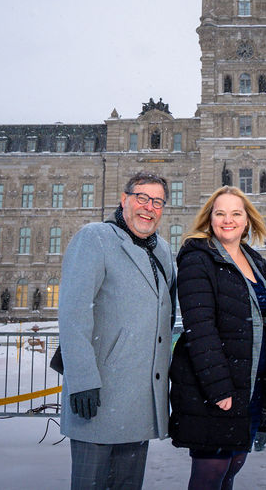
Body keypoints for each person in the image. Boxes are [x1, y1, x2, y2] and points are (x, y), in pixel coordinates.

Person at [169, 186, 266, 489]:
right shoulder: (197, 259)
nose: (228, 220)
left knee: (232, 468)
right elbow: (200, 328)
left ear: (248, 220)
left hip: (250, 387)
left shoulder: (260, 265)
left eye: (236, 213)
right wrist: (219, 389)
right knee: (210, 475)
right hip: (218, 390)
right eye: (220, 213)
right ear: (209, 219)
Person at [58, 172, 176, 490]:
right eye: (141, 198)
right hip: (99, 395)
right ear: (124, 200)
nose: (148, 207)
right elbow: (73, 313)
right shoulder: (95, 237)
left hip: (139, 400)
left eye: (157, 201)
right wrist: (82, 381)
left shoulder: (163, 251)